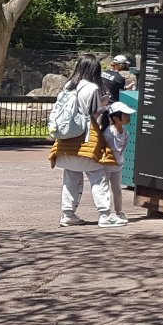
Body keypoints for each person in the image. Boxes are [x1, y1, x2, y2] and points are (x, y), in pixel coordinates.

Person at [48, 55, 119, 227]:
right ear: (94, 70)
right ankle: (104, 215)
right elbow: (94, 114)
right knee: (98, 176)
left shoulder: (68, 85)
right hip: (86, 139)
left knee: (71, 177)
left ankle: (68, 214)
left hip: (65, 140)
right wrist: (103, 104)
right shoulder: (92, 88)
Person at [101, 101, 133, 227]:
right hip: (106, 166)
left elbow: (122, 148)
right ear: (115, 118)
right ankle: (106, 213)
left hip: (117, 166)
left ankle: (119, 212)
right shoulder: (109, 132)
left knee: (117, 190)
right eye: (125, 116)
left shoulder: (125, 133)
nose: (128, 118)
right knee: (105, 189)